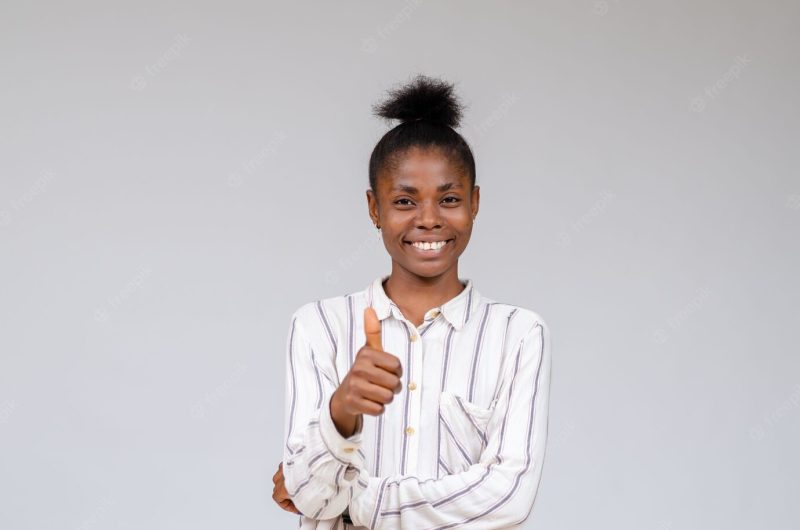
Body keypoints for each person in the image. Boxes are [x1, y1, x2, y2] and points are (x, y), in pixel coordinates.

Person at [272, 74, 552, 529]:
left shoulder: (518, 335)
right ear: (374, 209)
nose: (428, 219)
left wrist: (356, 501)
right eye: (404, 200)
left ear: (474, 203)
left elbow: (509, 498)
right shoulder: (319, 326)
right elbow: (310, 498)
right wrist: (341, 410)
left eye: (450, 199)